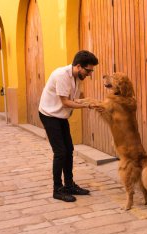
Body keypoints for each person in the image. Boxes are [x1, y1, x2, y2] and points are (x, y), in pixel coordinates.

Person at [38, 50, 98, 202]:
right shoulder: (62, 75)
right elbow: (65, 102)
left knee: (69, 150)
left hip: (61, 115)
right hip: (49, 115)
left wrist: (89, 101)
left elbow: (78, 97)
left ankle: (69, 185)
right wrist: (87, 106)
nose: (90, 74)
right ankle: (57, 189)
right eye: (88, 70)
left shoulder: (78, 76)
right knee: (60, 152)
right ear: (78, 66)